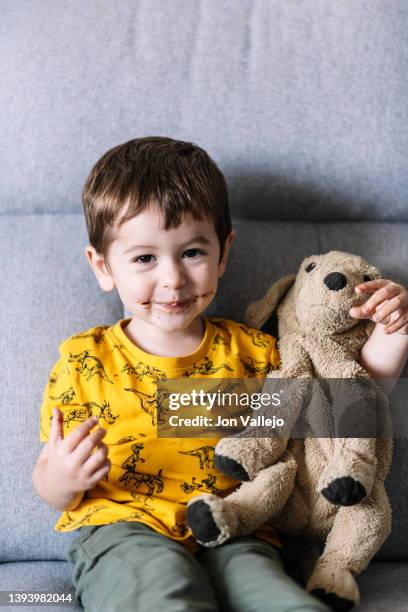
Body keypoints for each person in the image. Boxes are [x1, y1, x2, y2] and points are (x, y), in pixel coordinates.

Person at [32, 136, 408, 612]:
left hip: (239, 527)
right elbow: (50, 484)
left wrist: (393, 332)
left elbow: (345, 397)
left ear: (222, 253)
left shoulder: (254, 349)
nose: (172, 278)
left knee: (277, 599)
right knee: (163, 594)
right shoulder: (85, 359)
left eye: (192, 252)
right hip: (126, 528)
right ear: (104, 267)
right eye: (145, 258)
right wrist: (63, 478)